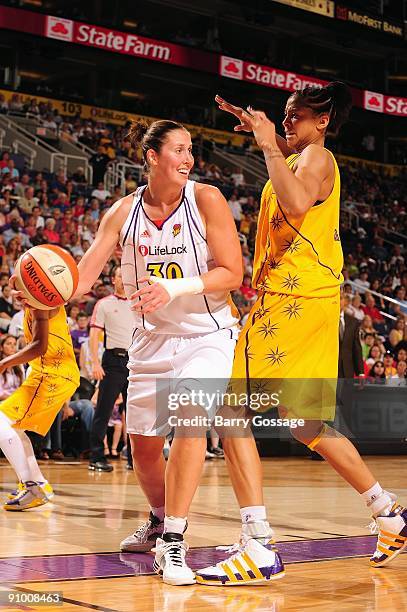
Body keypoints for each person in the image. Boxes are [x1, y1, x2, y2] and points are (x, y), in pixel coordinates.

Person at [194, 85, 407, 586]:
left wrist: (269, 143)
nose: (288, 122)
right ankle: (388, 513)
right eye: (285, 116)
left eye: (297, 116)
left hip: (295, 301)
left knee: (230, 412)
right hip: (308, 300)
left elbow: (294, 203)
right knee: (303, 423)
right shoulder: (302, 156)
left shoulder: (317, 156)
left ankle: (259, 544)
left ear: (324, 121)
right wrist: (268, 141)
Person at [71, 119, 242, 585]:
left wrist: (174, 286)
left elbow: (232, 272)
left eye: (192, 150)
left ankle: (174, 542)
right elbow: (81, 278)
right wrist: (38, 288)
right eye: (180, 150)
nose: (189, 159)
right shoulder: (122, 213)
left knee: (190, 418)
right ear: (152, 156)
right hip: (151, 340)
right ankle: (159, 517)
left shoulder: (206, 199)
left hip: (208, 332)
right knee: (142, 447)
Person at [0, 304, 80, 510]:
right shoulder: (38, 300)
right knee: (14, 426)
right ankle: (39, 484)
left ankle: (31, 487)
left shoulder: (40, 300)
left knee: (1, 421)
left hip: (52, 374)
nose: (16, 289)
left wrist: (4, 362)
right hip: (47, 373)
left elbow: (39, 346)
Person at [87, 266, 133, 472]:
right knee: (104, 410)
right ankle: (96, 456)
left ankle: (134, 458)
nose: (124, 279)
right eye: (120, 276)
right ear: (113, 280)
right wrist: (95, 363)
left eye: (126, 276)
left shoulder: (137, 303)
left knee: (134, 413)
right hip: (113, 360)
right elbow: (95, 335)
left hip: (135, 361)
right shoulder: (104, 304)